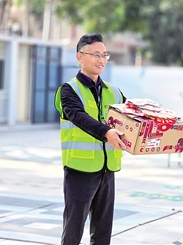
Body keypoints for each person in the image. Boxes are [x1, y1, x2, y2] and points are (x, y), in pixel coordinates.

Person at [54, 33, 127, 245]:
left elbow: (132, 117)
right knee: (73, 230)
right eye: (95, 54)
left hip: (107, 170)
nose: (101, 60)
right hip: (80, 170)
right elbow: (79, 117)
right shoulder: (68, 90)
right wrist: (107, 132)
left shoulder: (114, 92)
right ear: (79, 57)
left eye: (104, 55)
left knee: (103, 233)